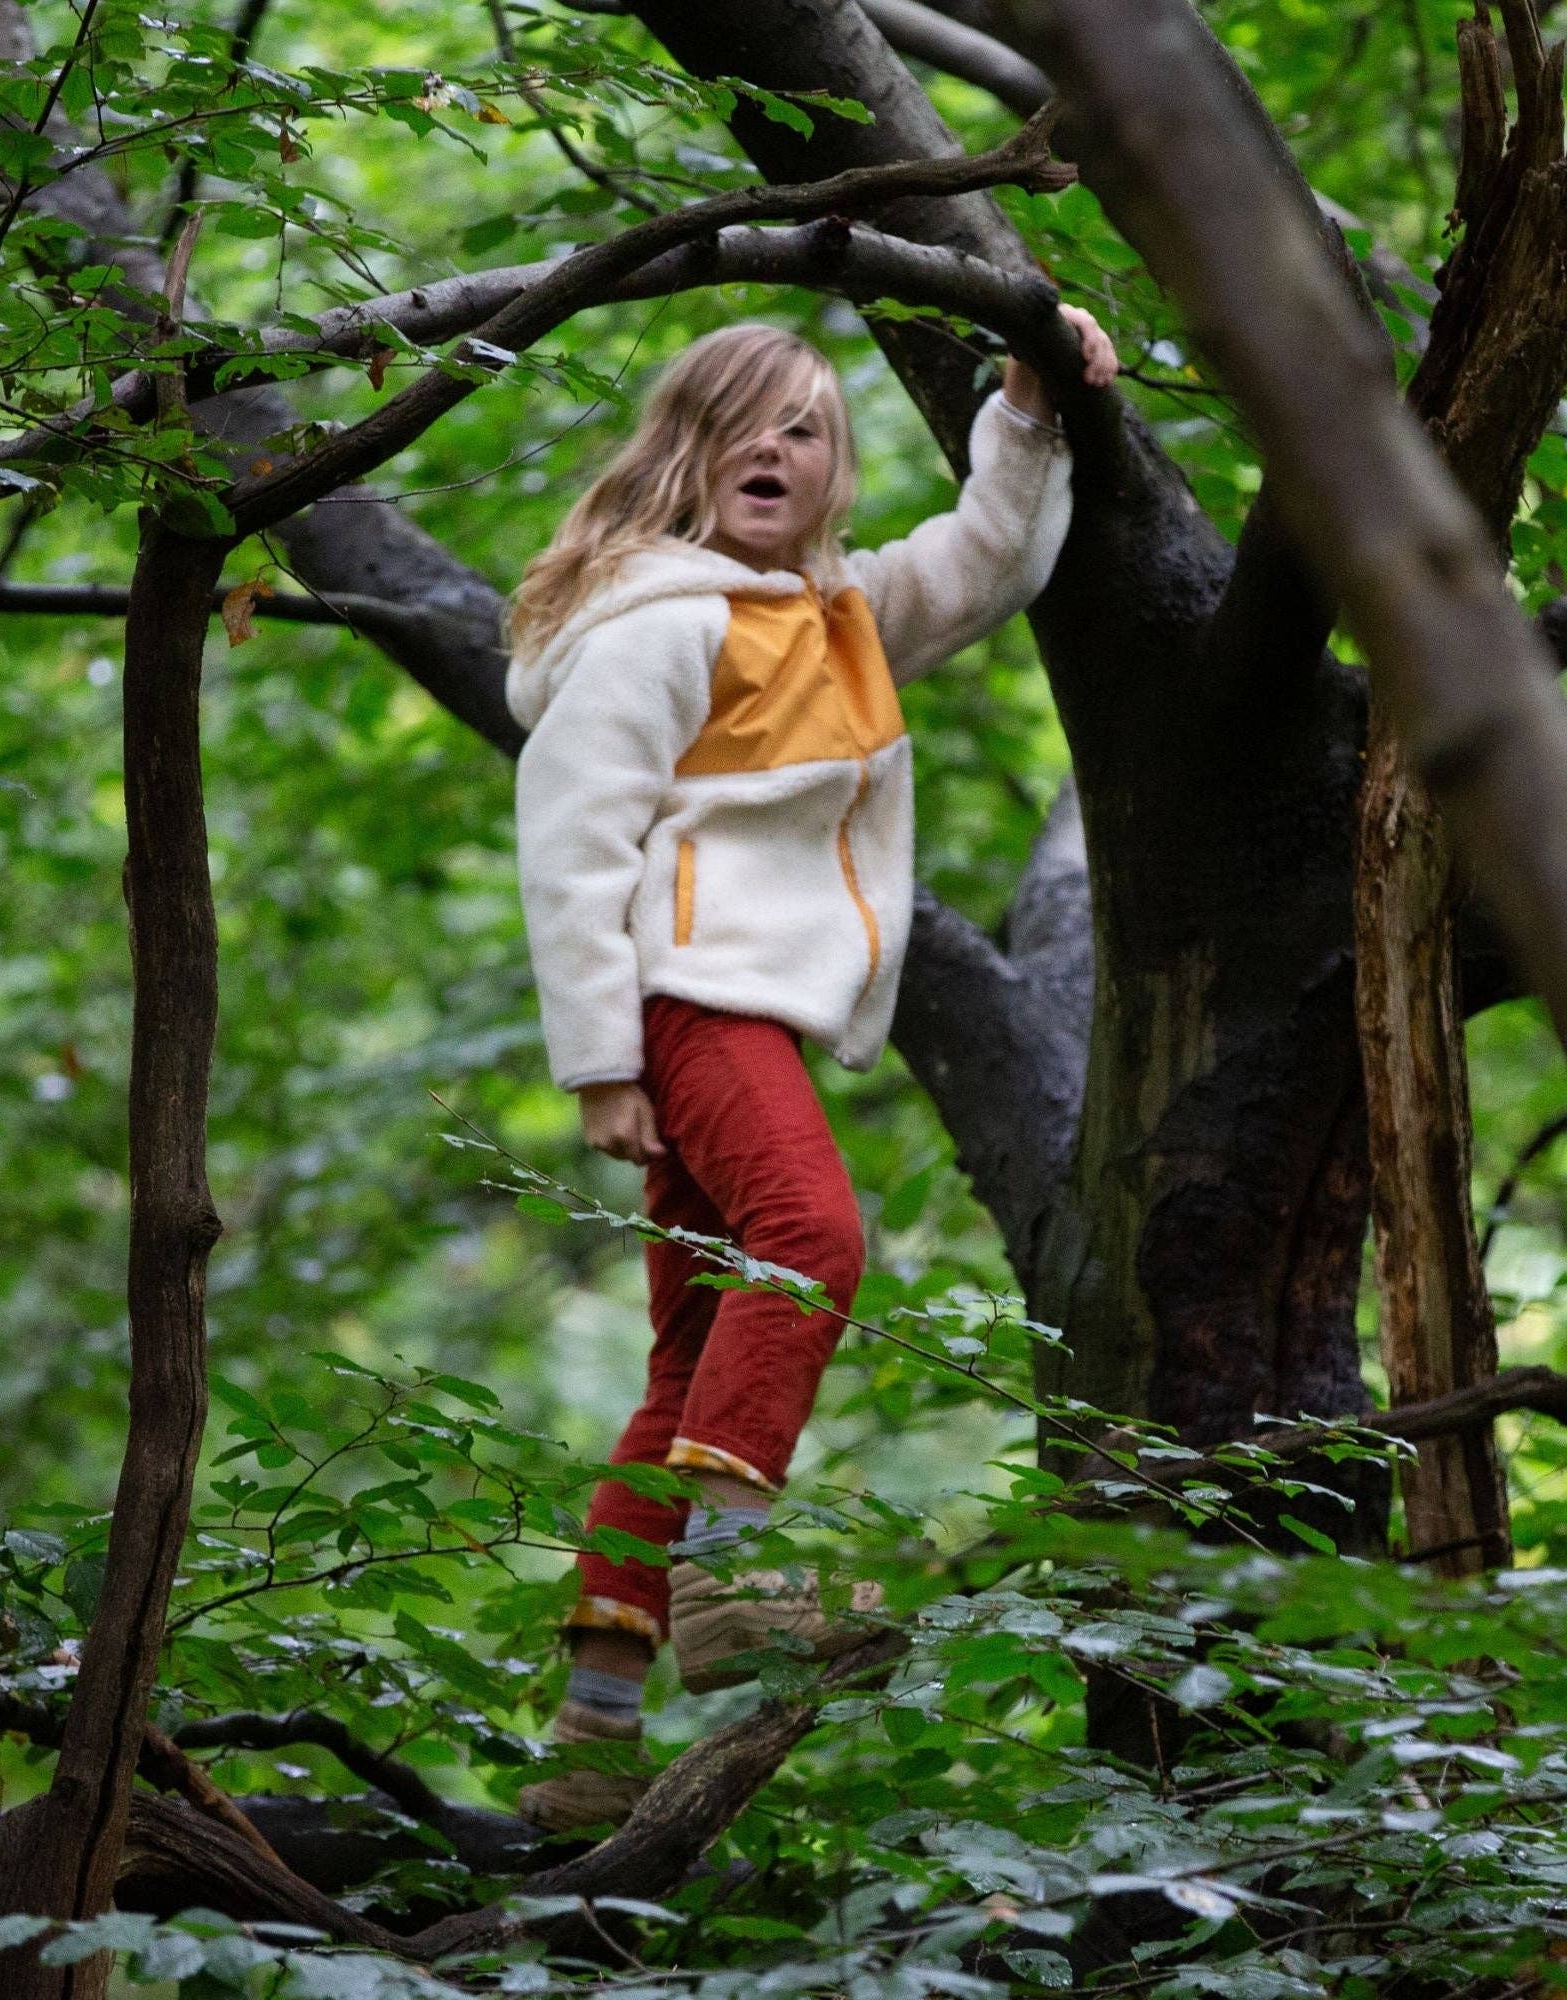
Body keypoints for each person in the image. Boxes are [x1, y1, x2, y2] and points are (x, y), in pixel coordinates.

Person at [503, 307, 1117, 1831]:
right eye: (746, 426)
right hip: (687, 1000)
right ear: (685, 454)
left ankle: (591, 1734)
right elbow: (571, 847)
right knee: (812, 1235)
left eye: (807, 429)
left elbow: (984, 560)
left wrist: (1027, 404)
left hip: (738, 1012)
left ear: (835, 474)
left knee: (688, 1356)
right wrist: (600, 1063)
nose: (777, 449)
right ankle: (729, 1576)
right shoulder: (659, 624)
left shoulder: (834, 620)